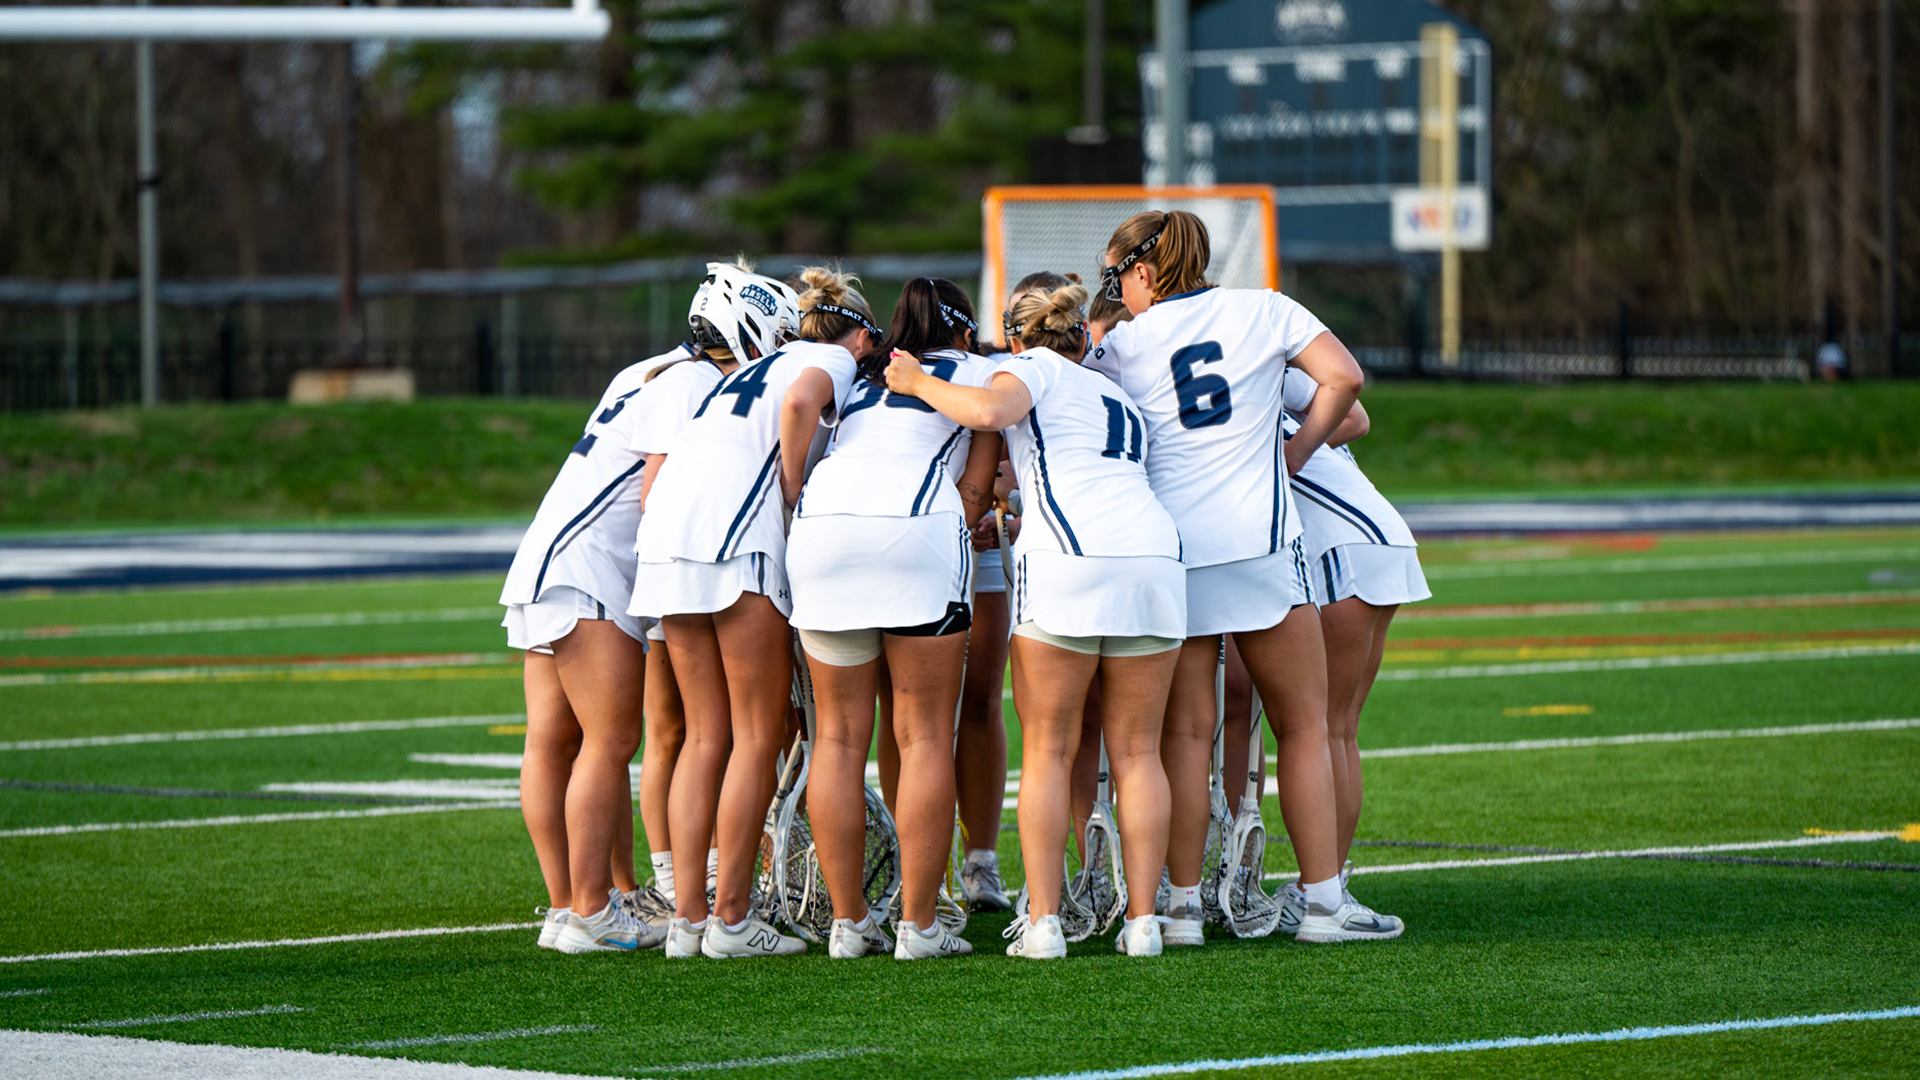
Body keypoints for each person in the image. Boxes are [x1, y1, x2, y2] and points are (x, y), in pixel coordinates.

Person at [1088, 209, 1400, 944]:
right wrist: (1293, 457)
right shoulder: (1263, 307)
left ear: (1142, 271)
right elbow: (1345, 378)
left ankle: (1185, 906)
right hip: (1261, 544)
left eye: (1115, 277)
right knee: (1304, 726)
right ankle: (1323, 902)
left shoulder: (1125, 344)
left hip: (1176, 551)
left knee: (1187, 737)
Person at [887, 279, 1184, 960]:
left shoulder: (1026, 367)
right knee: (1139, 753)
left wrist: (918, 383)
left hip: (1073, 558)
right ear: (1082, 335)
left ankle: (1045, 922)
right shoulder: (1114, 392)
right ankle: (1143, 924)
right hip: (1155, 557)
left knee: (1049, 749)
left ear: (1016, 337)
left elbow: (990, 410)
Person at [632, 264, 864, 959]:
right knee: (756, 735)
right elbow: (798, 408)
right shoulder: (824, 355)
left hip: (668, 533)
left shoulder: (732, 376)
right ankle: (731, 919)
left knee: (706, 736)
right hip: (734, 534)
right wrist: (790, 492)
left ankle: (688, 919)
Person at [788, 277, 1001, 960]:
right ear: (963, 331)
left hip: (821, 531)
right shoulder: (978, 371)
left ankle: (849, 925)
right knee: (925, 739)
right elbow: (975, 493)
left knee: (840, 741)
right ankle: (918, 924)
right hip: (914, 531)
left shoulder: (857, 369)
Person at [499, 320, 707, 953]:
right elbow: (658, 491)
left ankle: (570, 907)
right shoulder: (695, 382)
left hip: (545, 551)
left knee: (552, 741)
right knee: (610, 739)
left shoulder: (644, 370)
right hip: (590, 565)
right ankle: (591, 908)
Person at [1275, 367, 1428, 929]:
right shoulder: (1269, 368)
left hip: (1344, 542)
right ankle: (1328, 887)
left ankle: (1322, 894)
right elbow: (1356, 417)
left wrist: (1284, 455)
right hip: (1381, 534)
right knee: (1338, 729)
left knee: (1322, 727)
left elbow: (1355, 411)